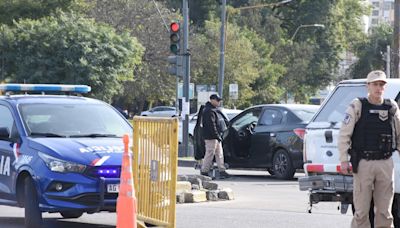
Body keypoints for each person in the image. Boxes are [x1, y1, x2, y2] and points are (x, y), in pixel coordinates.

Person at [338, 70, 400, 228]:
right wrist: (344, 160)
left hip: (386, 163)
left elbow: (398, 134)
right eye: (375, 84)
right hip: (364, 163)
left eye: (381, 85)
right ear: (368, 86)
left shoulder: (392, 107)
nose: (378, 88)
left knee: (385, 212)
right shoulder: (358, 105)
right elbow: (344, 134)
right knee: (361, 211)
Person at [200, 94, 230, 179]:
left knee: (219, 153)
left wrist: (218, 136)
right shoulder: (208, 111)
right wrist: (217, 135)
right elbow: (211, 126)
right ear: (212, 100)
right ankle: (204, 171)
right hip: (210, 136)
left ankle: (222, 170)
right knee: (210, 153)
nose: (219, 102)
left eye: (219, 100)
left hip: (216, 136)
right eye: (217, 100)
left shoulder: (214, 110)